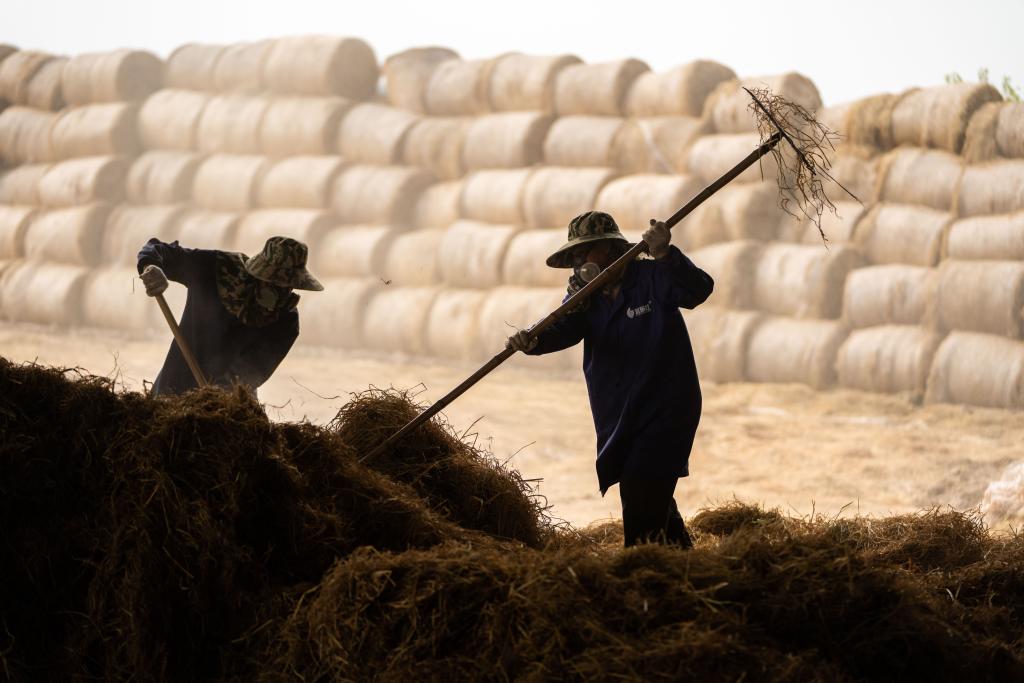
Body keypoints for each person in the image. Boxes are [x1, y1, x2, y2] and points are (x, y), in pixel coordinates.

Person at [506, 211, 713, 548]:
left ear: (611, 248)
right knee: (649, 499)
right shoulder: (585, 296)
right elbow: (564, 329)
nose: (579, 261)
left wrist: (665, 254)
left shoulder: (652, 276)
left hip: (665, 408)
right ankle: (685, 564)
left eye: (585, 251)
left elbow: (698, 290)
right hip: (619, 416)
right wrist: (532, 341)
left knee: (641, 494)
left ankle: (641, 569)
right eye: (575, 255)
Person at [137, 235, 323, 397]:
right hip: (174, 386)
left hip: (228, 404)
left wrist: (216, 399)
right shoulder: (215, 269)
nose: (281, 290)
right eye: (274, 282)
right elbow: (156, 249)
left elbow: (250, 371)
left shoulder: (285, 321)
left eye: (287, 285)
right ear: (258, 273)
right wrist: (151, 266)